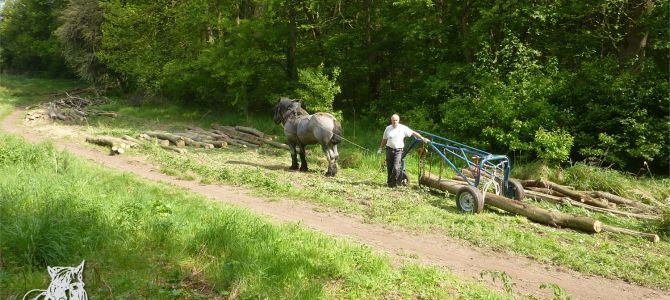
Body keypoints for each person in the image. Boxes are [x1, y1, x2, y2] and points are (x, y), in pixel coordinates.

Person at [377, 114, 429, 187]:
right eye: (393, 120)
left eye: (396, 120)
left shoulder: (403, 128)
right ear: (391, 120)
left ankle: (395, 183)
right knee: (389, 167)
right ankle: (390, 183)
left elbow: (413, 133)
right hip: (389, 149)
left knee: (396, 167)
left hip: (398, 150)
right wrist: (380, 148)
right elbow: (384, 139)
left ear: (398, 120)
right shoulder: (388, 128)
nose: (394, 122)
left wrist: (422, 138)